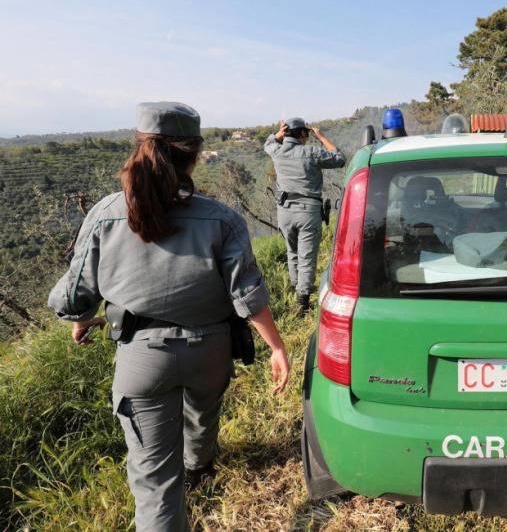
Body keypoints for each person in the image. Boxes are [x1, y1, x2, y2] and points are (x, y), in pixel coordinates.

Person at [48, 102, 290, 531]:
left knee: (157, 483)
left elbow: (74, 293)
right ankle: (199, 467)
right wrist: (275, 346)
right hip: (211, 349)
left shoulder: (106, 213)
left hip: (142, 358)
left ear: (139, 147)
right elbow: (246, 292)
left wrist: (81, 318)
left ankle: (184, 484)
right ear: (194, 154)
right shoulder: (222, 218)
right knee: (202, 412)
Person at [264, 118, 346, 314]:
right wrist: (322, 137)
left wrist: (278, 133)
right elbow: (339, 158)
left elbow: (267, 143)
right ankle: (303, 301)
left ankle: (296, 286)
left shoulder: (277, 151)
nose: (308, 136)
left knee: (292, 251)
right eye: (307, 133)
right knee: (306, 256)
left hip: (284, 211)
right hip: (308, 211)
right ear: (302, 133)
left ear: (285, 133)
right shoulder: (312, 152)